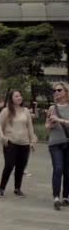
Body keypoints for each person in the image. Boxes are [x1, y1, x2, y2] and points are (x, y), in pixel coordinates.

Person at [0, 90, 37, 198]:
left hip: (24, 143)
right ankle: (1, 189)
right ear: (11, 98)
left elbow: (30, 127)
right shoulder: (6, 110)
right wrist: (2, 138)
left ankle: (17, 189)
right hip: (10, 142)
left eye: (20, 95)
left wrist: (32, 141)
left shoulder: (26, 111)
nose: (19, 97)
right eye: (16, 96)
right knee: (9, 165)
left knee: (20, 167)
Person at [45, 82, 69, 210]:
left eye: (59, 90)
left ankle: (66, 196)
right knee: (58, 168)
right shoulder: (52, 108)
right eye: (54, 90)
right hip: (55, 143)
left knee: (67, 171)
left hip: (67, 142)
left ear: (66, 91)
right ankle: (56, 198)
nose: (56, 92)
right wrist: (50, 125)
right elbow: (46, 127)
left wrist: (59, 120)